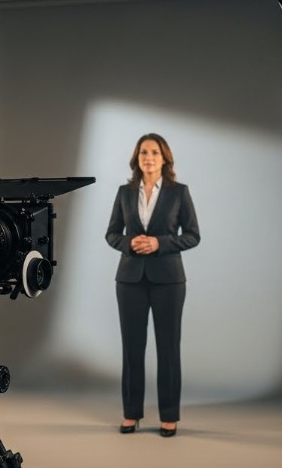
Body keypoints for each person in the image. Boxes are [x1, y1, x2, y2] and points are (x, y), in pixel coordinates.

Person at [105, 133, 200, 438]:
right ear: (137, 158)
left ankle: (169, 416)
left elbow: (193, 235)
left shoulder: (178, 192)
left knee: (168, 349)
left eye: (155, 153)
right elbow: (111, 234)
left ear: (164, 158)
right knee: (132, 349)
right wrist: (129, 243)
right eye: (144, 152)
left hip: (169, 281)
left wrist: (160, 243)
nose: (149, 157)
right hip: (130, 279)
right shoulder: (124, 192)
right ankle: (131, 414)